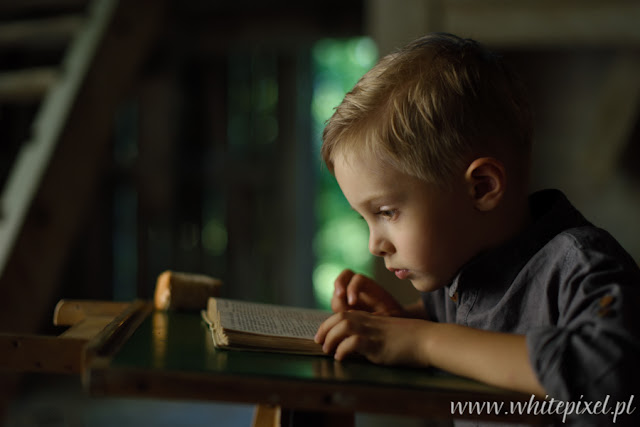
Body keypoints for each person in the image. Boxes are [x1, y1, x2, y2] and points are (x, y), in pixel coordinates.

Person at [313, 33, 640, 425]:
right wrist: (399, 323)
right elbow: (476, 335)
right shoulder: (462, 275)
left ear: (482, 187)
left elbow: (609, 378)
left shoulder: (581, 268)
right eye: (364, 218)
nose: (375, 244)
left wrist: (424, 342)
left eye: (386, 212)